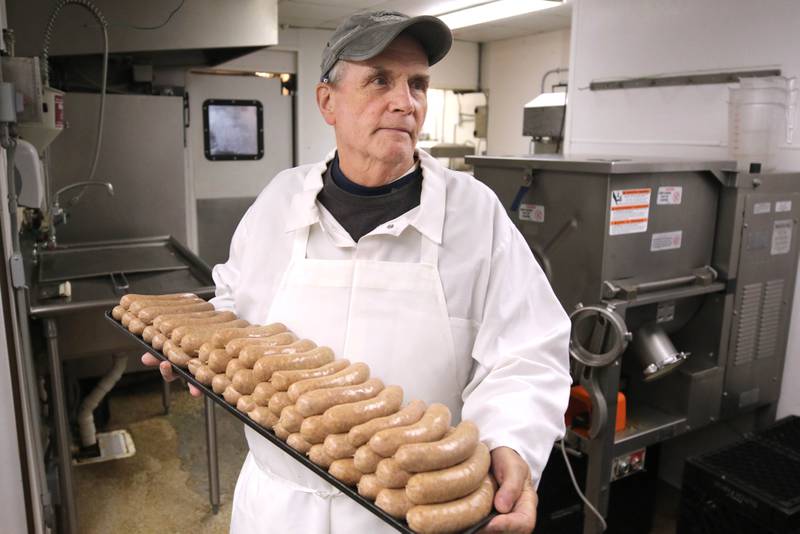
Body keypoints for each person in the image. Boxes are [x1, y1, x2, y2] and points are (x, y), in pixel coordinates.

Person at [143, 10, 571, 534]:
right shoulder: (280, 200)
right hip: (280, 509)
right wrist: (194, 346)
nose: (405, 101)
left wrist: (510, 441)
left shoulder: (473, 213)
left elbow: (527, 353)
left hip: (409, 514)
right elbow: (235, 300)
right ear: (328, 102)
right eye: (379, 80)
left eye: (418, 84)